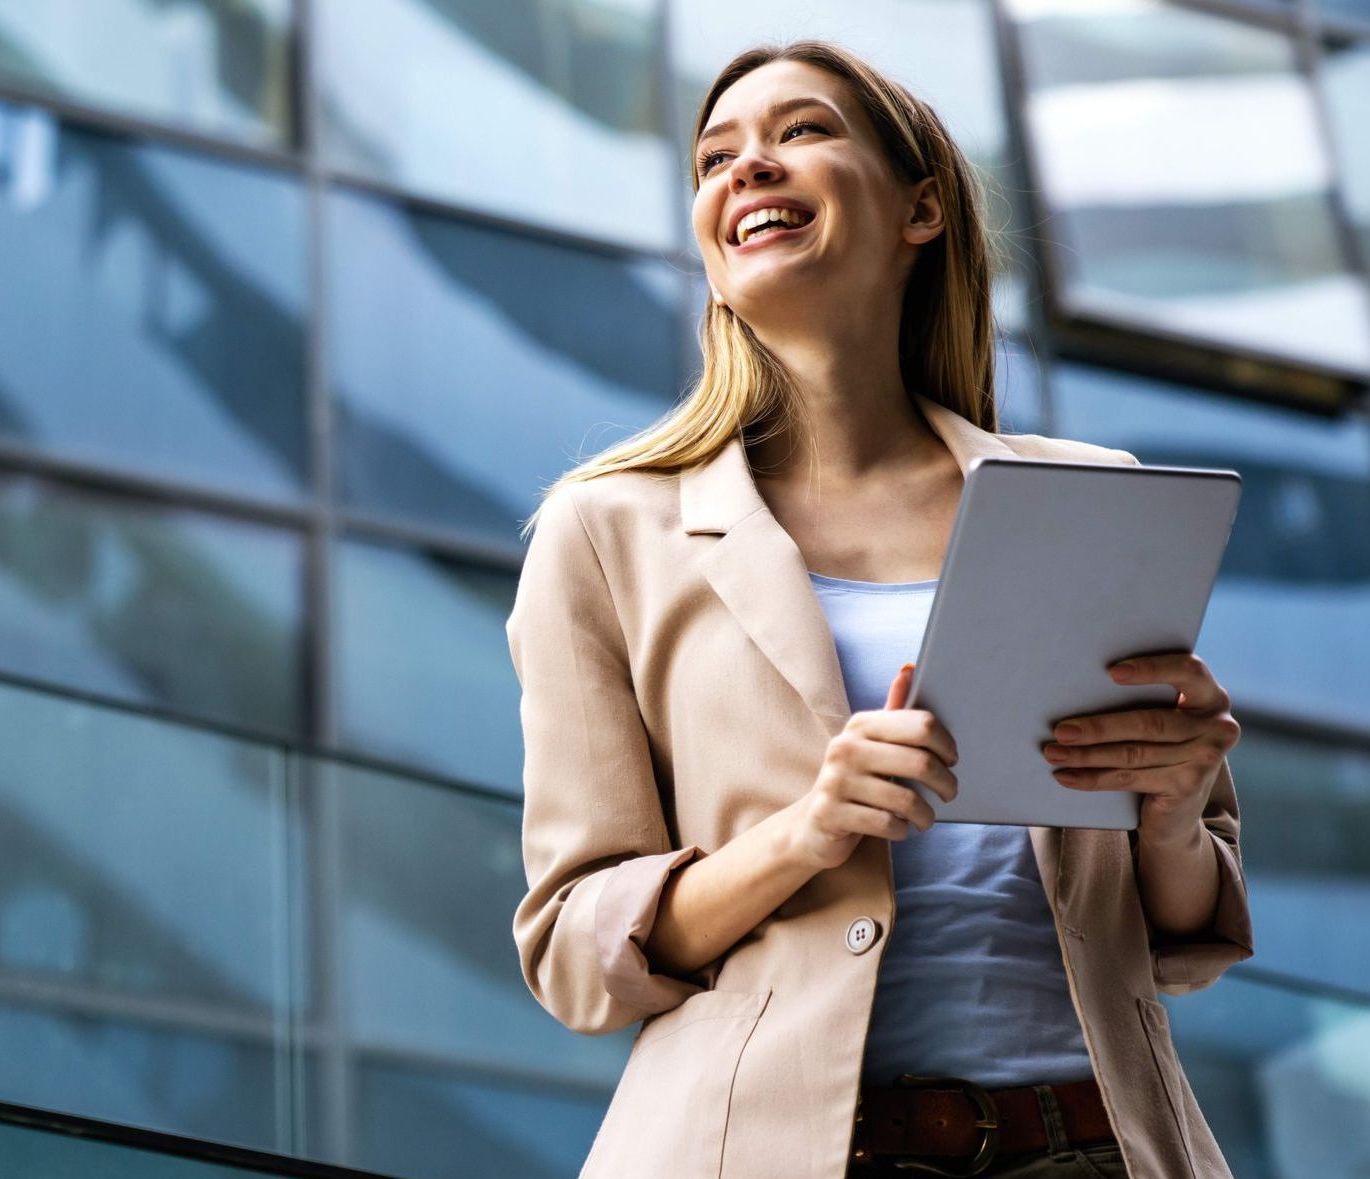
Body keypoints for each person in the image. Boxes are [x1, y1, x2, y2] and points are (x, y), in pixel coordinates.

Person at [506, 39, 1253, 1179]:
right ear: (709, 254)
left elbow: (1182, 938)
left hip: (1097, 1147)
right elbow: (573, 949)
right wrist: (807, 832)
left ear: (920, 210)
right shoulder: (607, 531)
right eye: (714, 158)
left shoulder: (1087, 495)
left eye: (799, 132)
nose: (745, 169)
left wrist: (1171, 810)